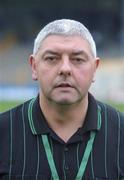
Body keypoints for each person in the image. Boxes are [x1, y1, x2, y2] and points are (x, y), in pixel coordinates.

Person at [0, 19, 124, 180]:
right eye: (52, 58)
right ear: (34, 66)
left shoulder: (121, 133)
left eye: (78, 59)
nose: (65, 69)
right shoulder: (3, 132)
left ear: (95, 69)